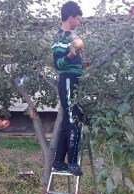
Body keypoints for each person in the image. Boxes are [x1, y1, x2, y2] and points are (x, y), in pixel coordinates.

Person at [51, 1, 84, 176]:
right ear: (70, 17)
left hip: (75, 78)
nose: (78, 22)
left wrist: (81, 63)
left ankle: (58, 160)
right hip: (68, 80)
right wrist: (72, 54)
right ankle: (72, 162)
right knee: (73, 119)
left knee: (69, 119)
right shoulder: (60, 38)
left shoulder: (72, 37)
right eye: (77, 19)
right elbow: (58, 64)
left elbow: (72, 62)